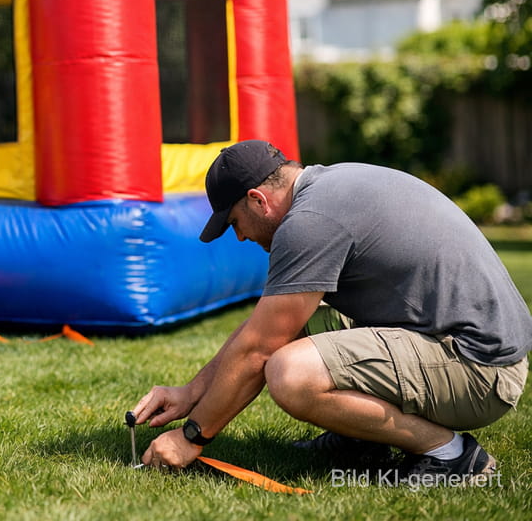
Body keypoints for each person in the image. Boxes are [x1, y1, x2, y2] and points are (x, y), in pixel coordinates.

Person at [131, 140, 532, 484]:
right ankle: (363, 440)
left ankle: (452, 455)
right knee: (297, 320)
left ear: (258, 200)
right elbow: (261, 329)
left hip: (481, 370)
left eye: (235, 222)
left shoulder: (310, 221)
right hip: (470, 348)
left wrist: (191, 439)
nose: (240, 236)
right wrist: (192, 393)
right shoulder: (329, 186)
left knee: (290, 373)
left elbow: (259, 352)